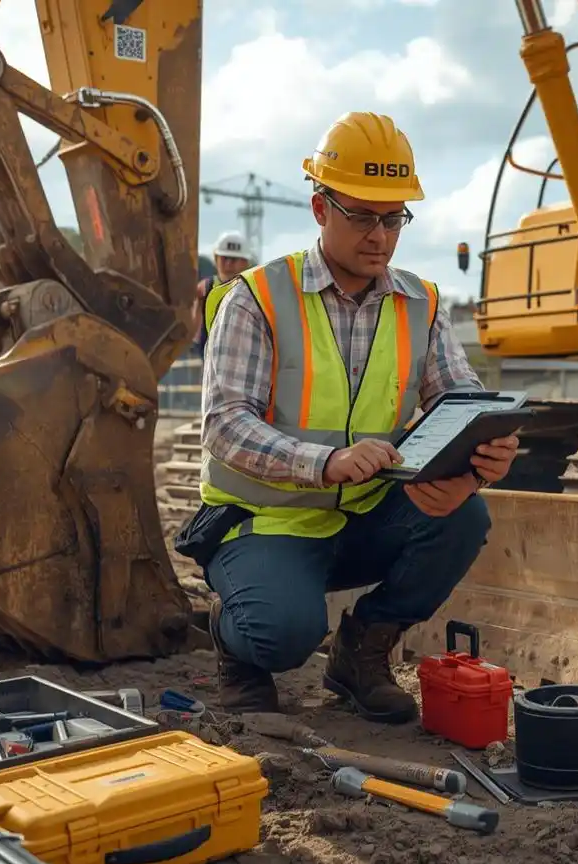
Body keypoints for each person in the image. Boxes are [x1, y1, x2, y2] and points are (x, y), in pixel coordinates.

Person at [185, 111, 519, 722]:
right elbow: (225, 423)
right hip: (268, 521)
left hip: (363, 514)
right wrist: (326, 462)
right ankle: (239, 646)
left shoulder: (420, 301)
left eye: (394, 218)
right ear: (320, 208)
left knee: (463, 516)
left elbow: (460, 401)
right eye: (363, 216)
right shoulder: (257, 297)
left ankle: (360, 652)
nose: (381, 235)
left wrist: (481, 457)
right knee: (281, 634)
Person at [190, 231, 255, 357]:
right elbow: (195, 326)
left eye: (234, 259)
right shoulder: (204, 289)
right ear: (216, 258)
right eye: (225, 258)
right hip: (210, 354)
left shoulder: (254, 289)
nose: (229, 263)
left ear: (246, 262)